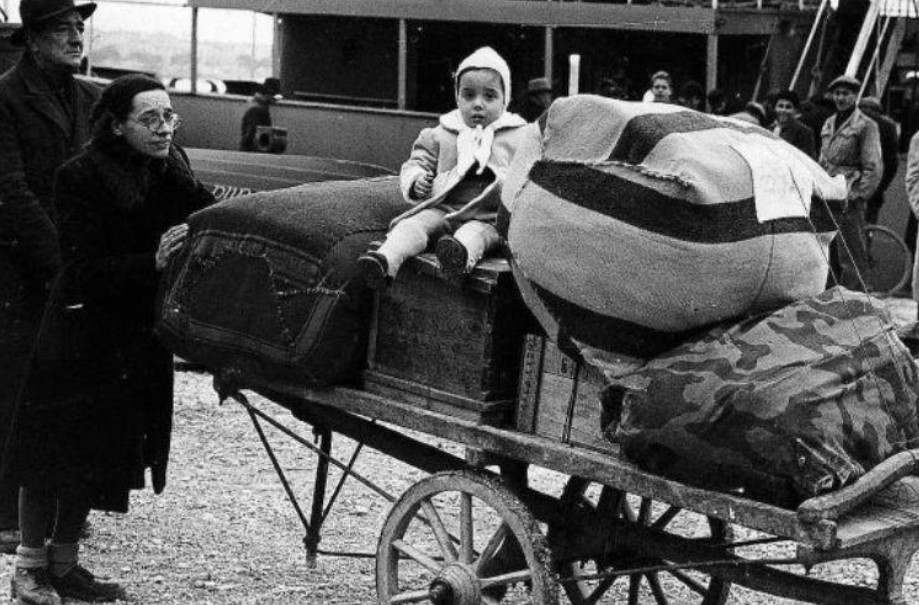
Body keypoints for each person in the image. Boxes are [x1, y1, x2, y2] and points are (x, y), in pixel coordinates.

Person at [8, 74, 214, 605]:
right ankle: (28, 568)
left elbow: (210, 212)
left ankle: (64, 564)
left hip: (131, 337)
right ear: (117, 126)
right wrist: (153, 261)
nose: (164, 128)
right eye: (150, 118)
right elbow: (79, 270)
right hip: (78, 333)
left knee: (96, 452)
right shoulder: (78, 176)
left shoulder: (170, 170)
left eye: (169, 116)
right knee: (50, 452)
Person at [0, 0, 101, 559]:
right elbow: (11, 191)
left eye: (80, 25)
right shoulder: (6, 98)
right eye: (63, 27)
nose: (76, 34)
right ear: (33, 38)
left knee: (67, 391)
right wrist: (63, 264)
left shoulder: (88, 98)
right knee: (15, 387)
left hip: (73, 268)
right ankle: (5, 515)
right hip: (18, 268)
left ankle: (55, 518)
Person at [357, 47, 527, 286]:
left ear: (505, 99)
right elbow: (417, 162)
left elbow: (529, 176)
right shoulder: (442, 133)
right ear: (457, 97)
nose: (478, 104)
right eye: (469, 96)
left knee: (477, 236)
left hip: (488, 217)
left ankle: (457, 256)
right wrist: (417, 180)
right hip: (445, 209)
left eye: (489, 96)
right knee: (415, 224)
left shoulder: (519, 136)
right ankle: (385, 260)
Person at [819, 75, 883, 292]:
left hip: (849, 194)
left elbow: (873, 166)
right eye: (837, 93)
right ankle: (832, 299)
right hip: (828, 193)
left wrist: (859, 195)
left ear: (855, 96)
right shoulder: (829, 122)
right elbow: (823, 159)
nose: (840, 98)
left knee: (851, 253)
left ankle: (856, 299)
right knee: (828, 250)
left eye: (846, 93)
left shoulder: (866, 125)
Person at [858, 96, 900, 224]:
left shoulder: (852, 122)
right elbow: (892, 162)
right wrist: (882, 185)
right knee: (869, 221)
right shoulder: (889, 127)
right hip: (876, 181)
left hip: (850, 180)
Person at [239, 76, 280, 152]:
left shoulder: (261, 100)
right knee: (254, 131)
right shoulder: (259, 105)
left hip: (257, 115)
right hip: (256, 114)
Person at [771, 90, 816, 159]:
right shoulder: (770, 128)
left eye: (788, 107)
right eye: (780, 106)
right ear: (775, 108)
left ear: (795, 110)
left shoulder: (805, 133)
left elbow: (808, 160)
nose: (783, 110)